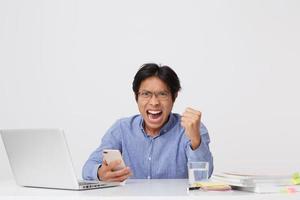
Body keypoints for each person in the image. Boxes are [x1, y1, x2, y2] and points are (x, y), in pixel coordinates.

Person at [82, 63, 213, 182]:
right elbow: (88, 167)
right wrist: (100, 173)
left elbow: (203, 178)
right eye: (146, 94)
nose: (154, 102)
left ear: (174, 97)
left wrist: (196, 141)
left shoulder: (192, 128)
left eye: (162, 94)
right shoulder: (122, 128)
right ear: (136, 97)